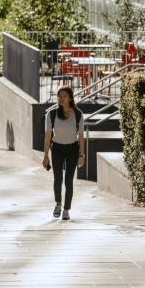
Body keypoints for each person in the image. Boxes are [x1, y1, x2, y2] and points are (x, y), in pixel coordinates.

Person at [43, 87, 85, 221]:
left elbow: (81, 136)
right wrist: (45, 156)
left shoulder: (78, 114)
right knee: (58, 179)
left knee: (68, 181)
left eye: (65, 96)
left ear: (70, 98)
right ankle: (58, 205)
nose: (61, 99)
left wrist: (82, 155)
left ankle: (66, 210)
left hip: (72, 149)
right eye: (59, 96)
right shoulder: (52, 114)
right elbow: (48, 136)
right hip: (57, 149)